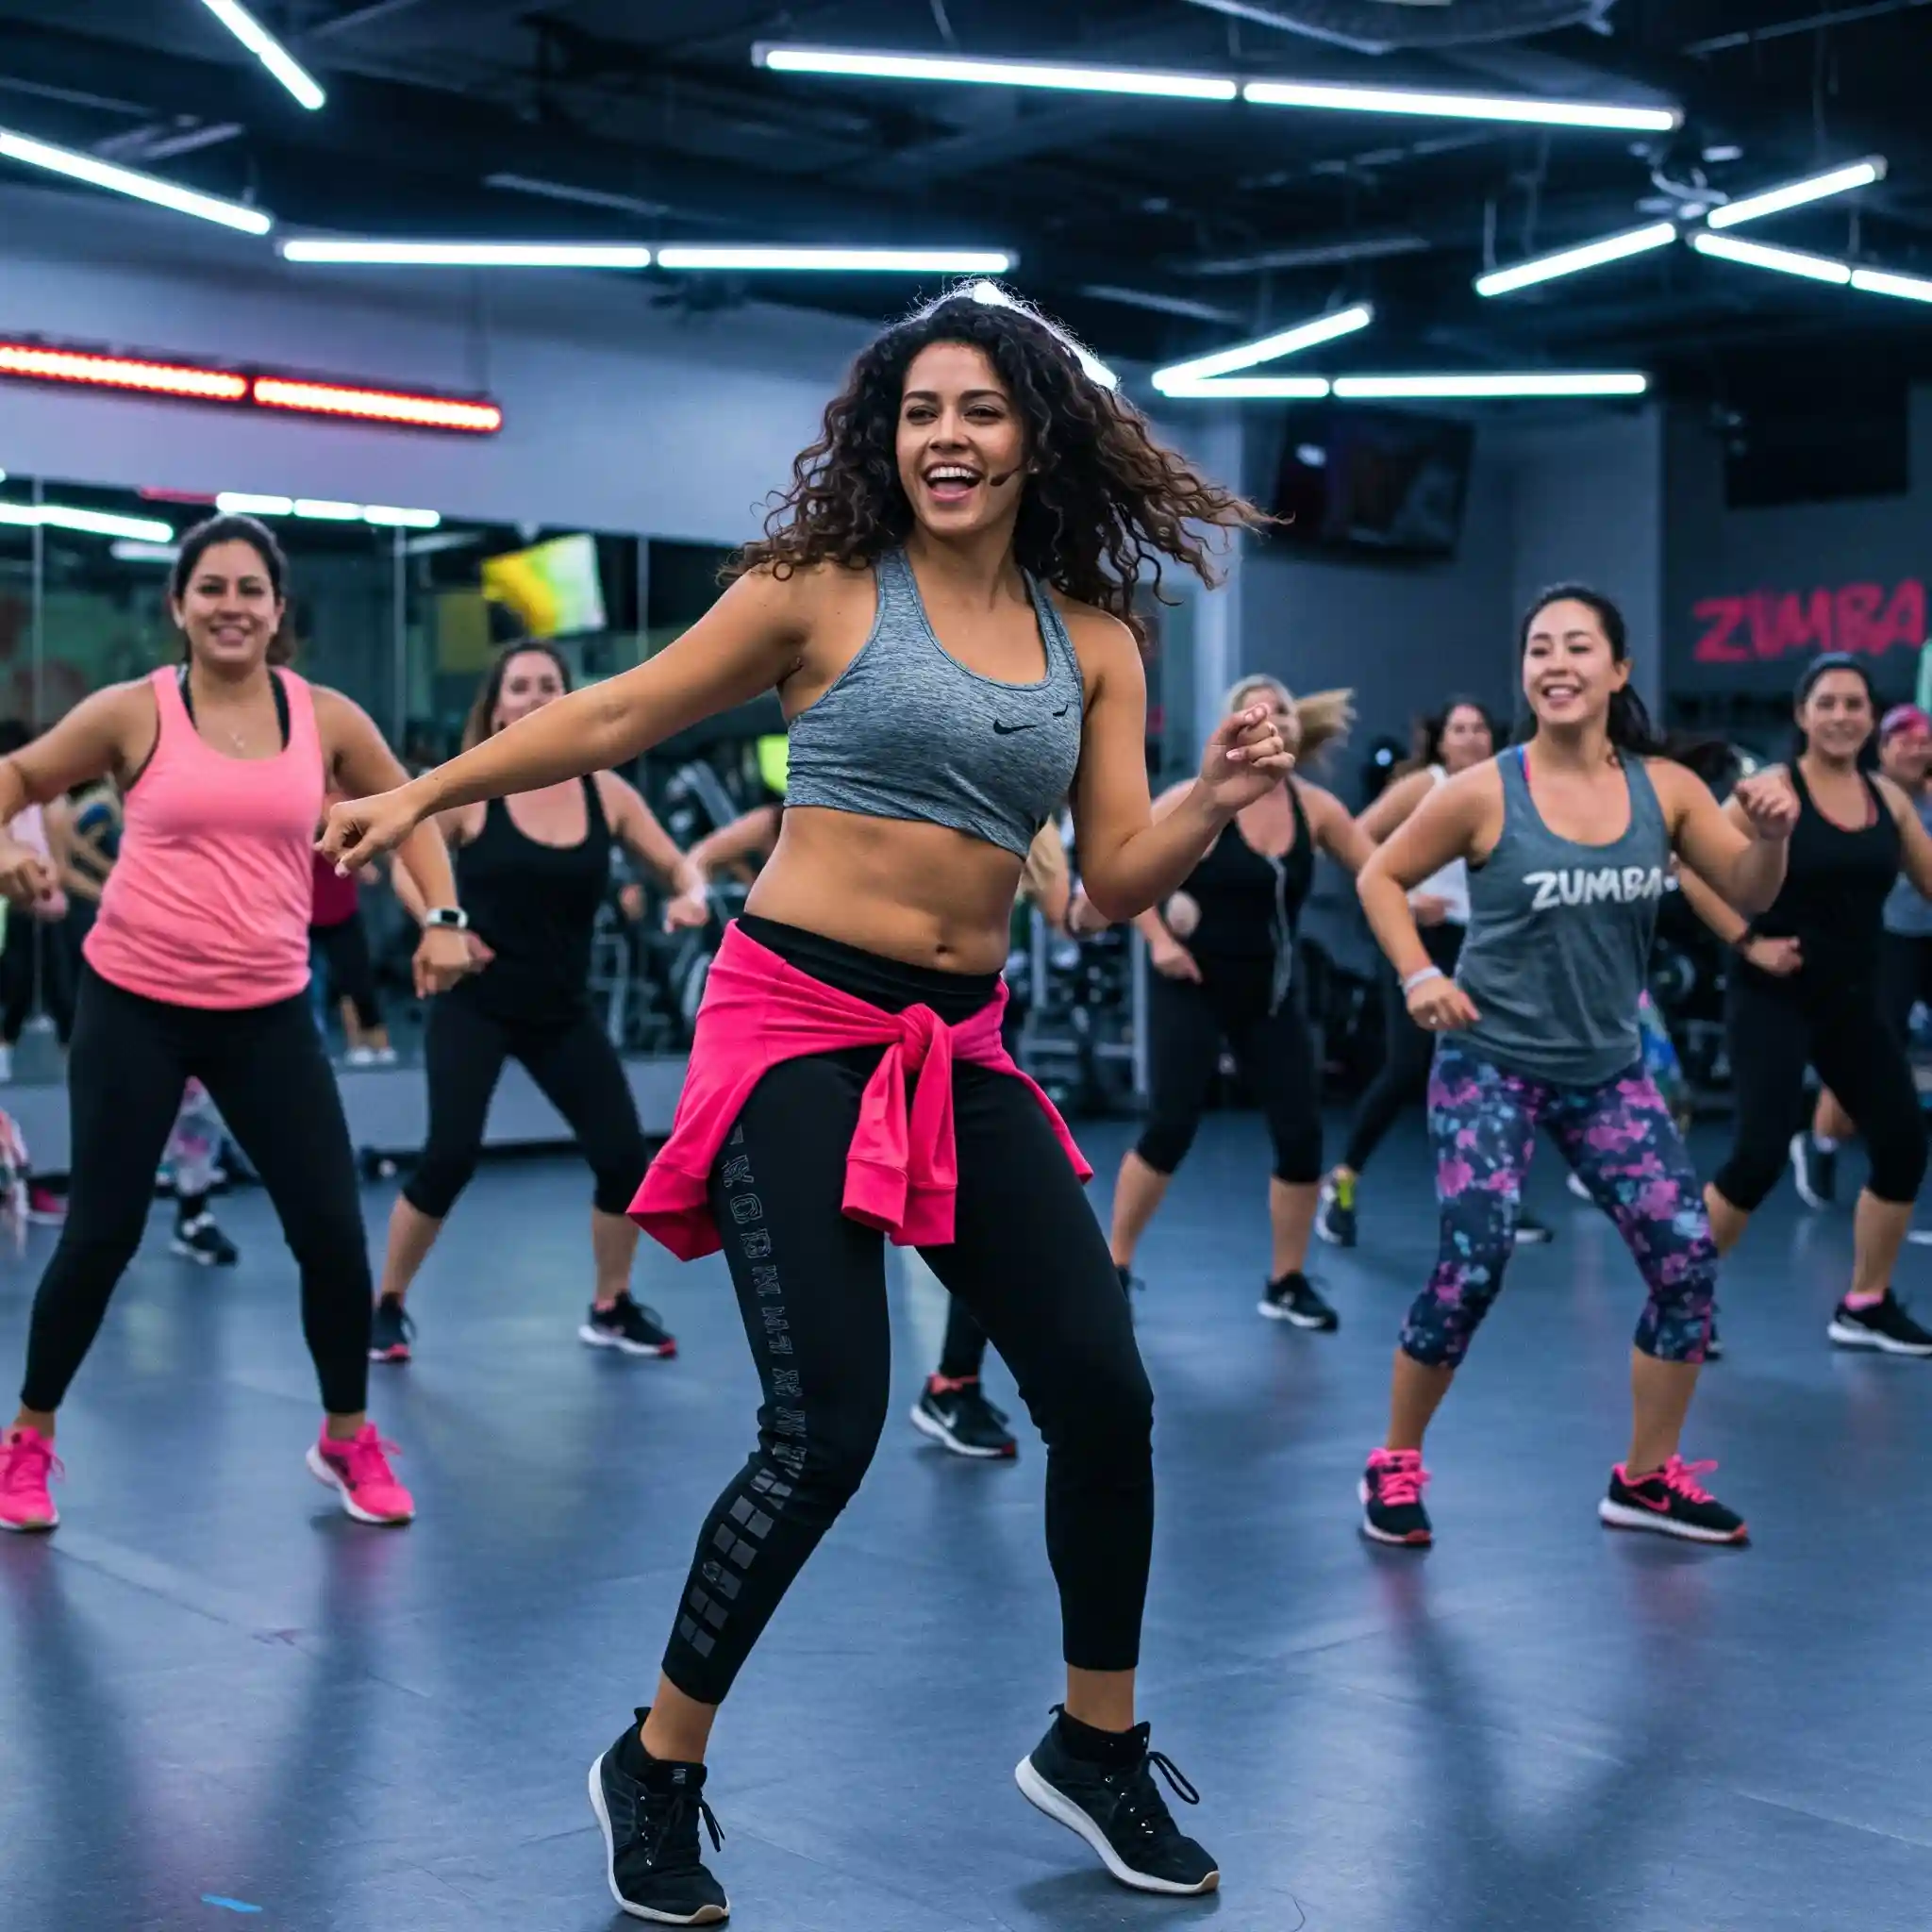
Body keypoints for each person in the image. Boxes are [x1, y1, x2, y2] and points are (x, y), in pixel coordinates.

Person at [324, 284, 1291, 1921]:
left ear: (1033, 430)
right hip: (791, 1025)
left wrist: (1213, 791)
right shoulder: (821, 591)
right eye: (919, 411)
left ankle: (1095, 1739)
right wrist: (423, 786)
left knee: (1101, 1393)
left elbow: (1113, 878)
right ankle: (657, 1760)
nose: (947, 437)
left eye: (978, 409)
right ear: (884, 436)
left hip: (960, 1042)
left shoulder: (1095, 639)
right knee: (824, 1424)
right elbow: (618, 710)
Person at [0, 512, 472, 1535]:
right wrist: (6, 848)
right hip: (133, 1001)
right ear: (178, 606)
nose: (229, 605)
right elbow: (18, 777)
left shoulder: (324, 717)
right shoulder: (136, 711)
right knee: (102, 1233)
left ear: (277, 608)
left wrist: (441, 917)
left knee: (333, 1235)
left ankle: (346, 1435)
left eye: (249, 588)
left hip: (264, 1009)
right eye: (209, 587)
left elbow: (410, 811)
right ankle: (28, 1438)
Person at [1354, 584, 1797, 1550]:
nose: (1555, 663)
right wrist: (1418, 971)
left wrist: (1769, 833)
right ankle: (1391, 1460)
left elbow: (1747, 888)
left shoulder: (1665, 790)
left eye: (1576, 646)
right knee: (1471, 1268)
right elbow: (1376, 874)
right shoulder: (1482, 789)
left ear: (1617, 670)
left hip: (1604, 1069)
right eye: (1538, 648)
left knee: (1685, 1263)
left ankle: (1643, 1477)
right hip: (1487, 1062)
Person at [369, 641, 711, 1367]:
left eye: (548, 684)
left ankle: (611, 1305)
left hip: (561, 1010)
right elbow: (408, 855)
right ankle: (388, 1304)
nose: (533, 696)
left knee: (624, 1159)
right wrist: (444, 921)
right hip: (476, 1004)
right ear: (496, 707)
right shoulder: (474, 791)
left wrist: (690, 893)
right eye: (518, 686)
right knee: (448, 1158)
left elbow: (675, 866)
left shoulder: (607, 793)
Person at [1679, 656, 1932, 1357]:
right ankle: (1681, 1301)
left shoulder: (1890, 799)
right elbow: (1688, 869)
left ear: (1872, 716)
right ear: (1803, 715)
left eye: (1855, 703)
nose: (1843, 716)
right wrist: (1747, 942)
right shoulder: (1769, 791)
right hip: (1772, 993)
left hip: (1849, 997)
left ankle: (1864, 1303)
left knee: (1903, 1144)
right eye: (1828, 703)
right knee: (1758, 1155)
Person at [1101, 675, 1363, 1330]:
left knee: (1301, 1133)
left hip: (1270, 993)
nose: (1274, 717)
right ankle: (1115, 1266)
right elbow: (1127, 875)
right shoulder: (1194, 800)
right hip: (1189, 982)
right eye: (1259, 708)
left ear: (1296, 729)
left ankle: (1287, 1280)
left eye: (1283, 709)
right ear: (1236, 728)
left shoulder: (1317, 809)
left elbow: (1379, 869)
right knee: (1171, 1126)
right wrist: (1160, 941)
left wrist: (1419, 903)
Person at [1316, 697, 1566, 1249]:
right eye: (1459, 728)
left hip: (1480, 944)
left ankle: (1498, 1194)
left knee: (1496, 1070)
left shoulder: (1506, 789)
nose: (1471, 737)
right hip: (1417, 941)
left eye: (1480, 727)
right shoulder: (1423, 785)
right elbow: (1353, 836)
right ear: (1441, 740)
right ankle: (1342, 1183)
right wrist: (1404, 893)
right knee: (1407, 1067)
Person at [911, 813, 1074, 1458]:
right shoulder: (922, 795)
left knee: (981, 1217)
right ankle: (947, 1384)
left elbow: (1072, 913)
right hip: (888, 1031)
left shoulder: (1040, 824)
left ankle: (953, 1383)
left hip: (976, 1033)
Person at [1788, 701, 1932, 1208]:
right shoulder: (1867, 799)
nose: (1918, 748)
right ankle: (1821, 1144)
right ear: (1884, 748)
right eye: (1905, 741)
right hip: (1886, 941)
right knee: (1867, 1052)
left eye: (1925, 741)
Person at [310, 799, 395, 1064]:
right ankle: (343, 1046)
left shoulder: (342, 816)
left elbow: (370, 873)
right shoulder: (299, 824)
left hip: (342, 913)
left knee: (356, 980)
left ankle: (378, 1045)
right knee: (308, 987)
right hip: (304, 914)